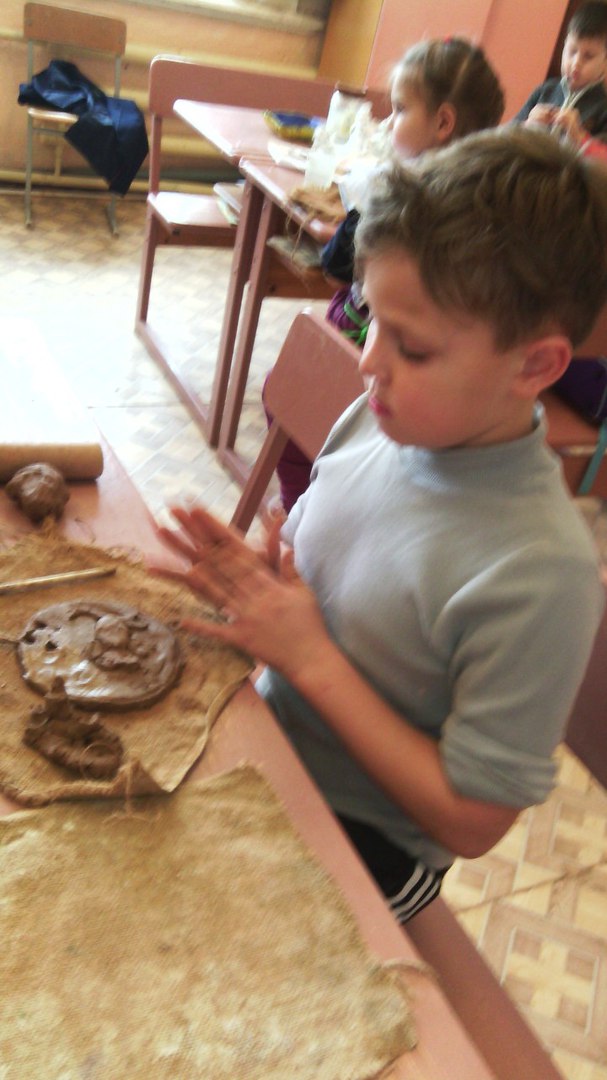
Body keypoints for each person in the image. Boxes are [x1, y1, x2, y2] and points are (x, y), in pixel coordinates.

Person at [155, 126, 607, 924]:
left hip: (367, 847)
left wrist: (310, 658)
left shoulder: (541, 571)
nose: (367, 361)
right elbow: (320, 571)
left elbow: (470, 821)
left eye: (414, 348)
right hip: (265, 745)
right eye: (369, 316)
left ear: (534, 366)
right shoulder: (377, 418)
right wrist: (267, 580)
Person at [271, 36, 505, 513]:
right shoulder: (494, 203)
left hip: (362, 347)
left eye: (399, 110)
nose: (388, 122)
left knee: (284, 401)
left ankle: (299, 512)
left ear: (442, 122)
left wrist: (358, 200)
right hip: (429, 380)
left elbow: (336, 268)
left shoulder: (391, 191)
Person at [515, 0, 607, 150]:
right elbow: (501, 137)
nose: (576, 63)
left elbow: (602, 160)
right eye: (572, 51)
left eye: (588, 56)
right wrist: (526, 125)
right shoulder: (545, 90)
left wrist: (579, 137)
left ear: (605, 63)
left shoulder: (603, 109)